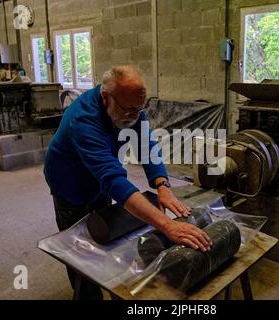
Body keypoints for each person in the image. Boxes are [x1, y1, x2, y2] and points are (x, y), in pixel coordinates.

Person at [43, 65, 212, 300]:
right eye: (130, 110)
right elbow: (113, 180)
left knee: (106, 232)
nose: (136, 116)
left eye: (140, 110)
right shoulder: (83, 120)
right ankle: (88, 296)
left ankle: (112, 286)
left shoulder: (128, 106)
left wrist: (163, 185)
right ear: (106, 98)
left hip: (99, 179)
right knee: (78, 248)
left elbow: (146, 144)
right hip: (69, 182)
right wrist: (168, 225)